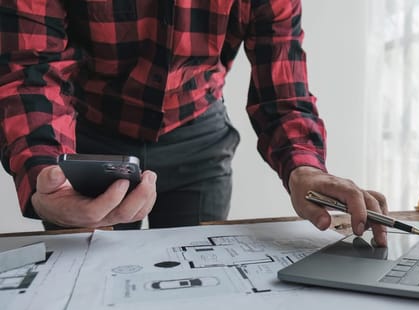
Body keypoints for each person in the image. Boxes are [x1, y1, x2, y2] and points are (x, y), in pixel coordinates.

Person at [0, 0, 388, 245]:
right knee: (83, 299)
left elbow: (281, 82)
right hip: (86, 139)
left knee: (201, 293)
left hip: (199, 139)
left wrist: (305, 168)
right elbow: (28, 69)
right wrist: (43, 171)